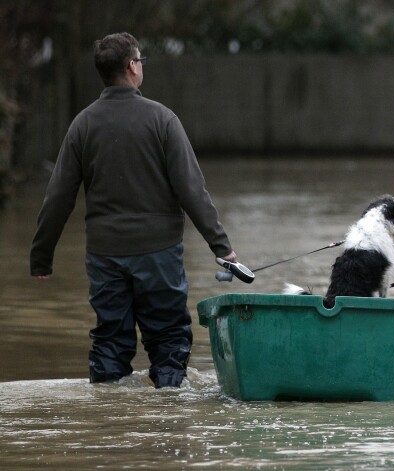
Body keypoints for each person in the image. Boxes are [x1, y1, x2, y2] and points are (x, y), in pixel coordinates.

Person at [30, 32, 238, 388]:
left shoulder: (82, 125)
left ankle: (111, 419)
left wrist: (41, 257)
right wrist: (222, 248)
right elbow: (191, 190)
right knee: (169, 339)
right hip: (158, 253)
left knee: (110, 342)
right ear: (131, 67)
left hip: (104, 255)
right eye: (140, 60)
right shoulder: (163, 120)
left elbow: (58, 197)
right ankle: (167, 413)